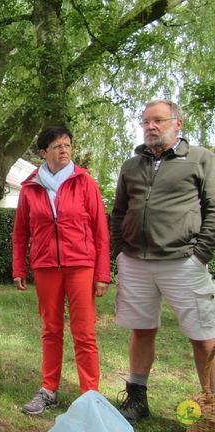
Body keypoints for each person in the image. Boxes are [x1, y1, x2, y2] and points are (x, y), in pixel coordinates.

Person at [111, 99, 215, 424]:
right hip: (135, 261)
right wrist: (118, 250)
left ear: (177, 124)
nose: (150, 127)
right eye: (145, 122)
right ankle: (137, 399)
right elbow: (118, 211)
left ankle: (211, 404)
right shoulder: (131, 165)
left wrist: (201, 254)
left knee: (203, 334)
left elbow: (212, 208)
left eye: (158, 121)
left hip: (184, 260)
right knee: (142, 330)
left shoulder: (200, 159)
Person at [12, 126, 110, 415]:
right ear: (43, 153)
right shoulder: (30, 187)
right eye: (57, 146)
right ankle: (49, 389)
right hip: (45, 268)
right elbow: (20, 233)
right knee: (51, 329)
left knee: (84, 332)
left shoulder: (85, 182)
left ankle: (90, 395)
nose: (64, 150)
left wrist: (102, 274)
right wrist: (19, 267)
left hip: (81, 265)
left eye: (67, 145)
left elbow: (100, 232)